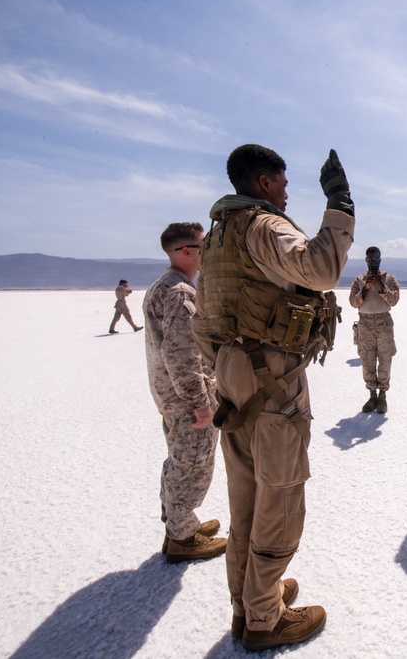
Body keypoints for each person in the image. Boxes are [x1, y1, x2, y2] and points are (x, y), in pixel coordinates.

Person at [192, 144, 354, 652]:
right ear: (263, 183)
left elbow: (202, 320)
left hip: (232, 377)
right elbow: (322, 268)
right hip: (273, 377)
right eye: (282, 185)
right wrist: (340, 205)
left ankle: (247, 602)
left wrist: (227, 369)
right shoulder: (262, 226)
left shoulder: (217, 239)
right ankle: (265, 618)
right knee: (280, 494)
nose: (286, 195)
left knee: (246, 495)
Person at [143, 222, 225, 564]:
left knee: (179, 459)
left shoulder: (164, 287)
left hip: (170, 395)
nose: (208, 251)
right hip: (185, 399)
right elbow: (181, 353)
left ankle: (180, 523)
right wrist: (199, 402)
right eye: (203, 245)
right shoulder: (178, 293)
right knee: (191, 464)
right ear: (187, 251)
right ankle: (181, 538)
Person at [349, 246, 400, 413]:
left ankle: (383, 395)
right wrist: (365, 289)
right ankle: (372, 395)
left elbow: (394, 300)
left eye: (376, 260)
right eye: (370, 260)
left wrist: (381, 286)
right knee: (367, 359)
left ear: (380, 260)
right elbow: (353, 302)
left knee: (385, 359)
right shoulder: (359, 280)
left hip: (383, 322)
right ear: (366, 260)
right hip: (366, 323)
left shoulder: (389, 278)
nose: (373, 263)